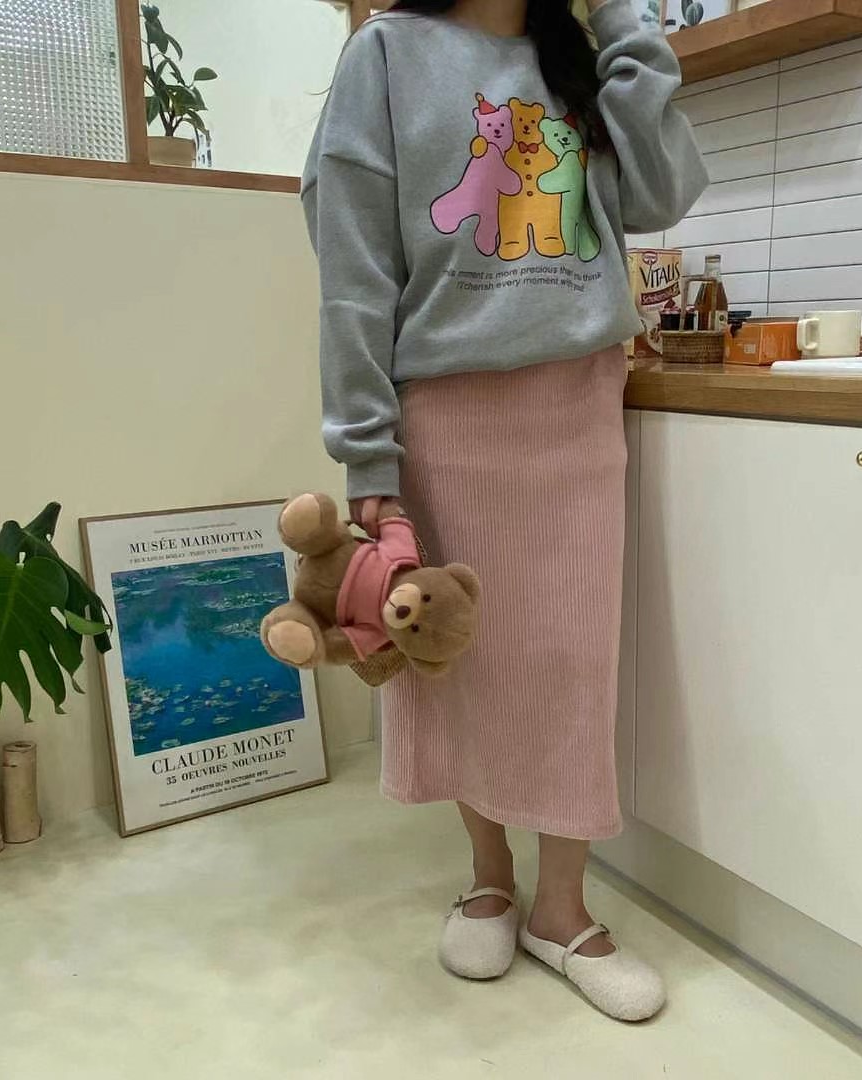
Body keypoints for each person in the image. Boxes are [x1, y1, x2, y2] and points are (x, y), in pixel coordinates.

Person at [302, 0, 707, 1021]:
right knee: (459, 655)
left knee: (572, 664)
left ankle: (561, 909)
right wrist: (366, 450)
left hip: (576, 405)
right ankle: (489, 878)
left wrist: (622, 18)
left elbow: (665, 189)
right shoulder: (386, 53)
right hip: (445, 413)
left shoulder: (581, 59)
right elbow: (353, 270)